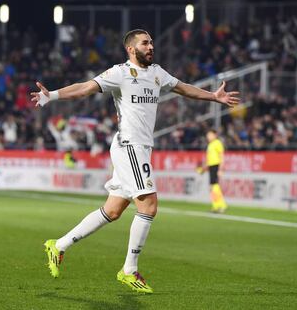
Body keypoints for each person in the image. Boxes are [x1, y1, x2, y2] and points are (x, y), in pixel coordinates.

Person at [31, 29, 240, 294]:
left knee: (114, 210)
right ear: (131, 49)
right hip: (129, 145)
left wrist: (213, 96)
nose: (151, 46)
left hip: (140, 147)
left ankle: (58, 245)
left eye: (152, 42)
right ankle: (129, 269)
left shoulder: (157, 73)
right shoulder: (119, 73)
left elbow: (182, 88)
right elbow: (85, 88)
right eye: (145, 43)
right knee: (149, 205)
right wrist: (53, 95)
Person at [196, 130, 227, 213]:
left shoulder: (217, 143)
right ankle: (216, 206)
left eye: (210, 135)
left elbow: (222, 157)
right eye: (207, 135)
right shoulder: (210, 145)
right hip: (211, 166)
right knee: (212, 187)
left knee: (214, 186)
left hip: (216, 166)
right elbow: (209, 160)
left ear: (215, 135)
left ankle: (221, 205)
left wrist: (220, 169)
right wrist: (203, 169)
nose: (208, 136)